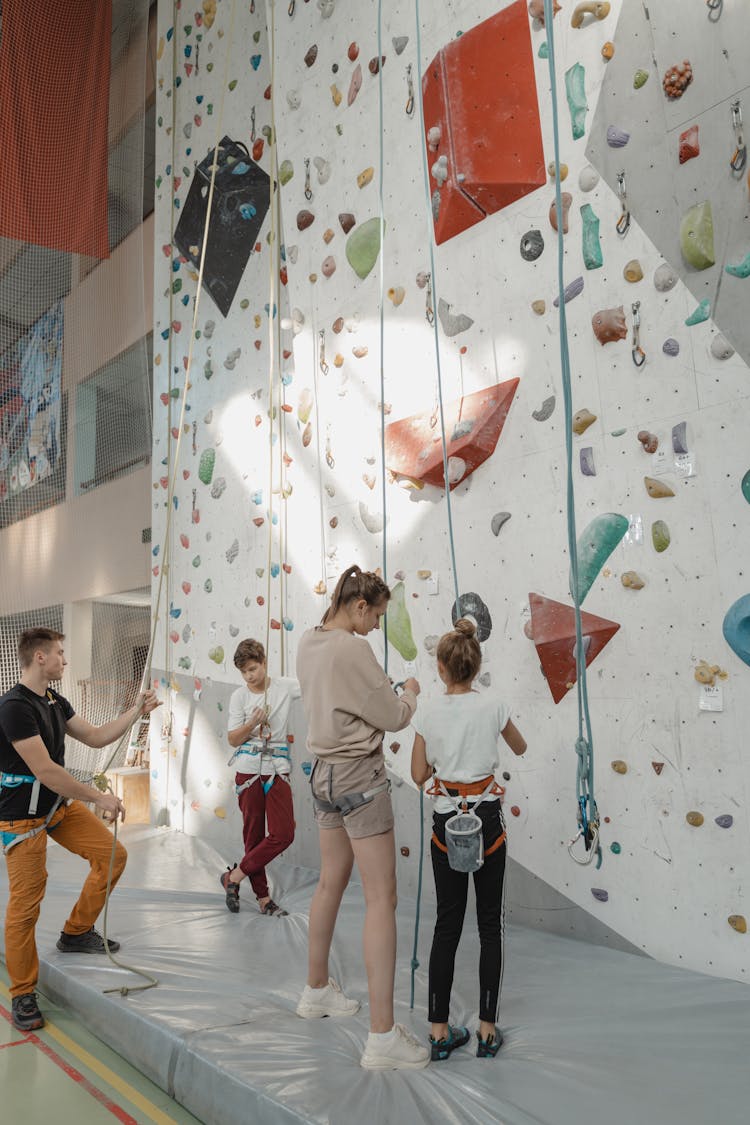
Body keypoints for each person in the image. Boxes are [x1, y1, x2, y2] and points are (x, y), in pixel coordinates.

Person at [295, 565, 430, 1071]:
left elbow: (343, 697)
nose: (377, 625)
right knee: (382, 898)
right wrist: (411, 690)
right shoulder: (355, 648)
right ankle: (382, 1036)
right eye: (375, 615)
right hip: (359, 778)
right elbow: (394, 717)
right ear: (358, 606)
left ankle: (315, 992)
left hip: (324, 776)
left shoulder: (309, 640)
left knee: (330, 881)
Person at [0, 627, 160, 1032]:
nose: (64, 660)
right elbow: (46, 770)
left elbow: (94, 735)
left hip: (54, 806)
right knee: (26, 905)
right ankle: (22, 992)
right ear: (40, 658)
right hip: (22, 817)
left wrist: (135, 712)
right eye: (59, 653)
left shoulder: (53, 699)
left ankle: (76, 932)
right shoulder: (14, 707)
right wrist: (98, 796)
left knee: (112, 856)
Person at [410, 618, 527, 1061]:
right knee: (489, 926)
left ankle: (439, 1032)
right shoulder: (494, 705)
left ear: (441, 669)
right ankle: (486, 1030)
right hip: (487, 821)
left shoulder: (426, 711)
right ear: (475, 668)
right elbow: (520, 746)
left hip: (447, 823)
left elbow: (419, 775)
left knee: (447, 924)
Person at [219, 638, 299, 917]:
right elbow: (232, 739)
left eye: (253, 669)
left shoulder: (285, 687)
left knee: (283, 833)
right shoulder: (239, 697)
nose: (250, 676)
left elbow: (317, 682)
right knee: (252, 837)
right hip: (249, 769)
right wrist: (252, 723)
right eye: (244, 672)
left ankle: (234, 877)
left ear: (264, 662)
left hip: (277, 768)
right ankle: (264, 899)